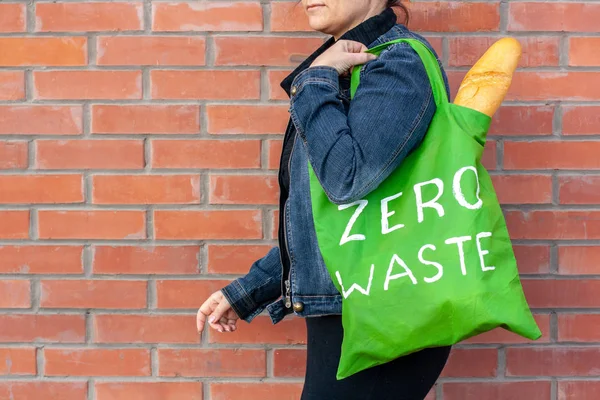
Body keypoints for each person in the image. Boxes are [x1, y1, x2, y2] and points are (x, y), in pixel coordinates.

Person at [197, 1, 451, 398]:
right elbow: (325, 224)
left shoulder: (396, 61)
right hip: (353, 308)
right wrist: (248, 290)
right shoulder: (340, 68)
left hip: (386, 312)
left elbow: (347, 181)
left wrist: (315, 80)